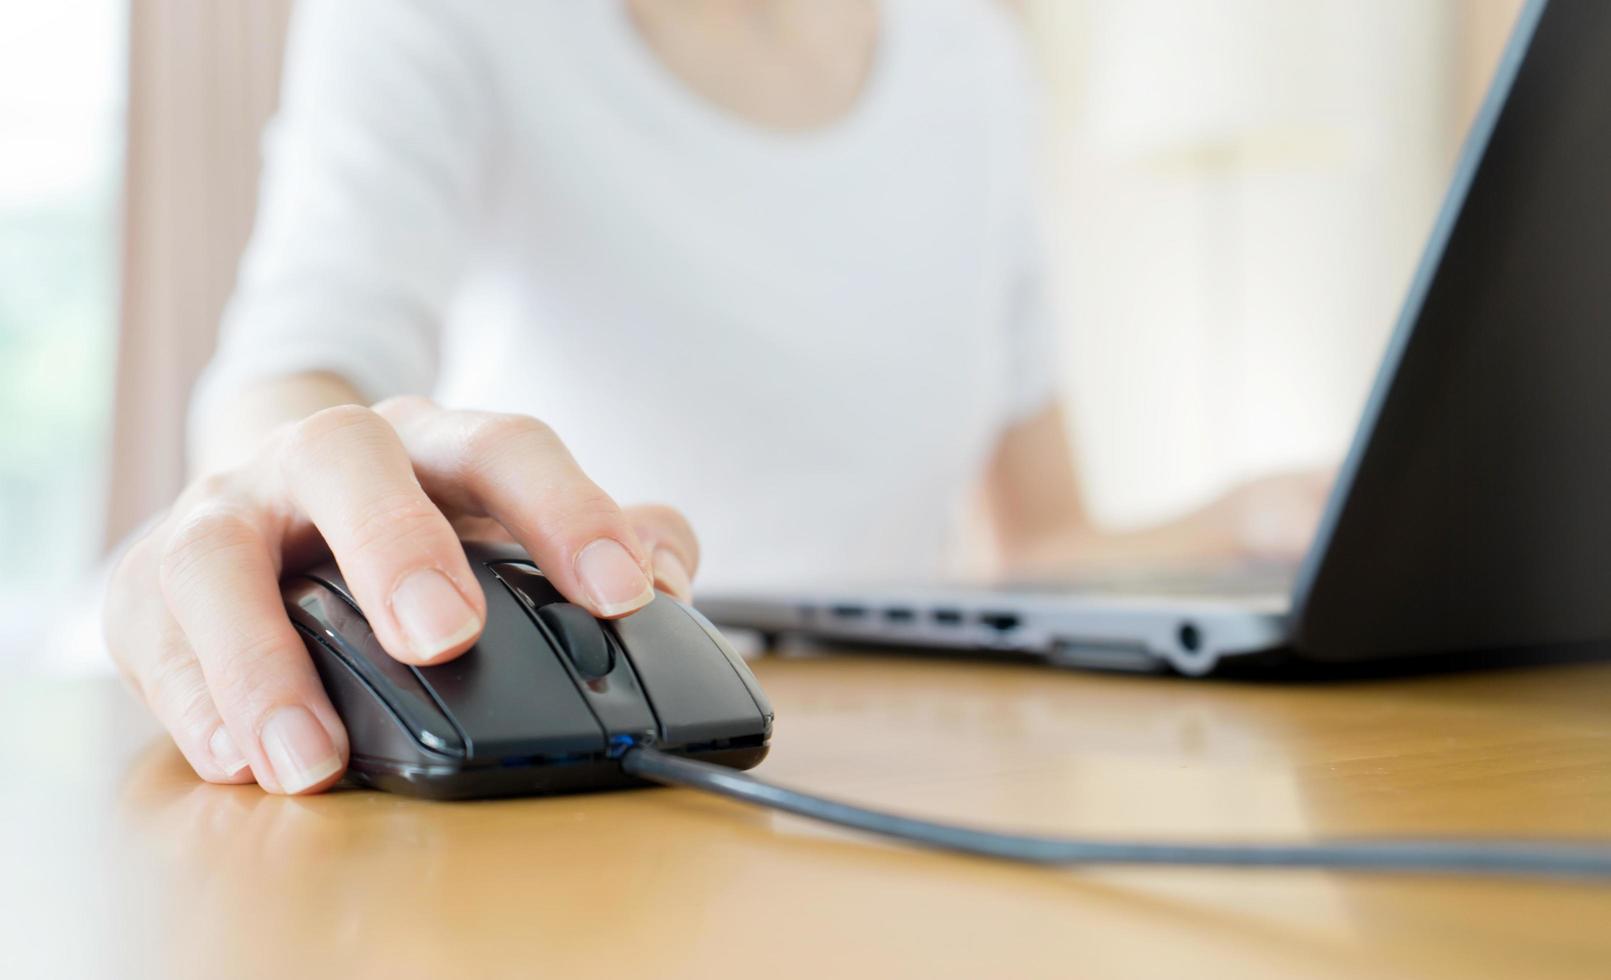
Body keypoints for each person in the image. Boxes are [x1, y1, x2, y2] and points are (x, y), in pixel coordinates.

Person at [103, 0, 1328, 796]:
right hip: (545, 766)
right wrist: (295, 480)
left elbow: (1039, 541)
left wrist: (1261, 512)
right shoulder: (452, 19)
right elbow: (302, 355)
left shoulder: (976, 60)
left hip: (864, 762)